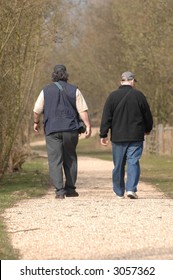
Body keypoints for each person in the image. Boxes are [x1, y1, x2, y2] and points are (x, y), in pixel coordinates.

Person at [33, 64, 91, 199]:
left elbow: (36, 110)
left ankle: (59, 191)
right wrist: (87, 125)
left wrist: (36, 122)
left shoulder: (45, 91)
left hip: (52, 130)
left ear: (53, 75)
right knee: (70, 158)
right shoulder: (74, 90)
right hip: (70, 129)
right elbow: (82, 110)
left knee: (55, 161)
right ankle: (70, 189)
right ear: (66, 75)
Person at [99, 71, 153, 199]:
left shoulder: (112, 96)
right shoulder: (139, 96)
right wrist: (148, 129)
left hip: (118, 136)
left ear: (121, 81)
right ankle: (131, 189)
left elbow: (106, 117)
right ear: (133, 81)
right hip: (136, 135)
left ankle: (118, 191)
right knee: (133, 162)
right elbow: (147, 115)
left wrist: (103, 134)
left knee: (118, 164)